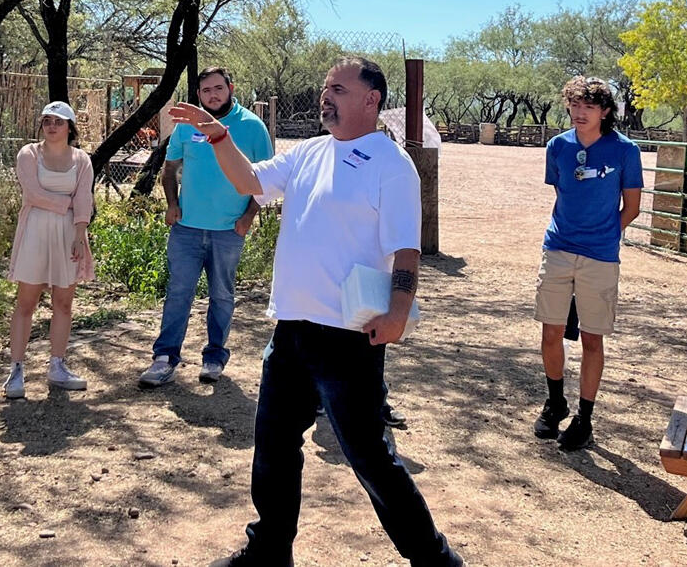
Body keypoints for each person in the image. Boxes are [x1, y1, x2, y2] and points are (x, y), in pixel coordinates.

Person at [171, 56, 462, 567]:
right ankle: (269, 550)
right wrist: (218, 137)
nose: (326, 96)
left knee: (370, 458)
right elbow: (248, 181)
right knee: (275, 447)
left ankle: (435, 561)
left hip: (348, 338)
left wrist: (399, 311)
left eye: (340, 89)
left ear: (371, 99)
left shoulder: (391, 164)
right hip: (291, 330)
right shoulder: (307, 153)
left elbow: (406, 250)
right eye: (326, 87)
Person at [139, 67, 273, 388]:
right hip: (186, 229)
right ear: (198, 95)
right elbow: (170, 169)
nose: (212, 95)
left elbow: (266, 182)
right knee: (178, 294)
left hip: (228, 230)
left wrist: (247, 218)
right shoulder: (188, 126)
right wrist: (172, 204)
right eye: (206, 91)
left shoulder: (252, 128)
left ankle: (214, 358)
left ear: (230, 87)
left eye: (218, 88)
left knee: (222, 295)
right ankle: (164, 358)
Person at [532, 76, 642, 451]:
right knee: (550, 332)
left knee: (592, 339)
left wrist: (607, 234)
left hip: (600, 256)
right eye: (575, 106)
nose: (579, 113)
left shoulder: (625, 151)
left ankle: (585, 417)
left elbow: (633, 206)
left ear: (605, 112)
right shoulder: (557, 146)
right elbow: (562, 192)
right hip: (559, 248)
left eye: (589, 107)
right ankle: (555, 401)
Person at [2, 101, 96, 399]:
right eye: (47, 121)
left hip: (68, 233)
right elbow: (32, 193)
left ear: (70, 126)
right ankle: (17, 369)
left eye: (58, 121)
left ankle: (57, 366)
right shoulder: (29, 154)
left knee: (64, 302)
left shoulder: (81, 159)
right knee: (26, 301)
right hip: (34, 232)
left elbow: (85, 198)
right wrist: (66, 204)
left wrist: (79, 233)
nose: (52, 126)